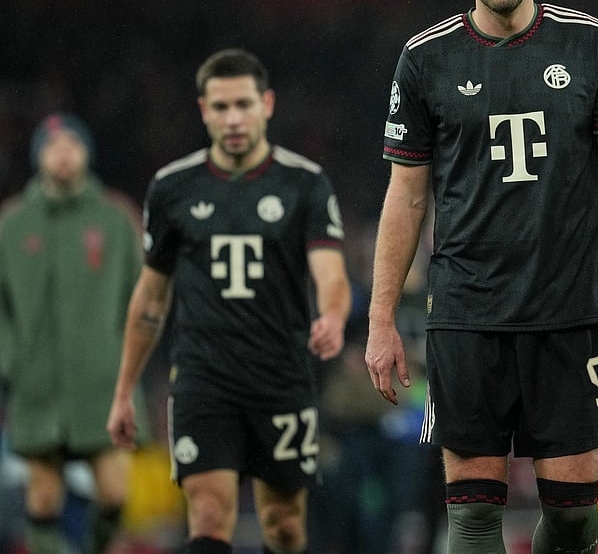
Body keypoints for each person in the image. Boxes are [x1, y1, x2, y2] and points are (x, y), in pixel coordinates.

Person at [364, 0, 598, 554]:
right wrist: (380, 317)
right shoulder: (424, 58)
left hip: (572, 308)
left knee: (577, 516)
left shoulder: (590, 43)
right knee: (471, 517)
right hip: (467, 310)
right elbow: (405, 195)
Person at [106, 48, 351, 554]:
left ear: (267, 104)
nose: (233, 118)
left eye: (243, 104)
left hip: (280, 375)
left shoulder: (304, 183)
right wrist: (125, 388)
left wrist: (332, 315)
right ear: (203, 111)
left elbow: (331, 273)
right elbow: (151, 295)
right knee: (209, 514)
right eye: (220, 107)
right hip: (202, 377)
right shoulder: (172, 189)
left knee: (283, 524)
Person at [0, 113, 143, 553]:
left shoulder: (116, 219)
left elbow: (145, 297)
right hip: (36, 384)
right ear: (38, 156)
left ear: (86, 154)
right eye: (52, 146)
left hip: (104, 382)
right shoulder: (11, 223)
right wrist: (9, 359)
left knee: (115, 495)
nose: (63, 154)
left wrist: (131, 357)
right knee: (42, 498)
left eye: (72, 145)